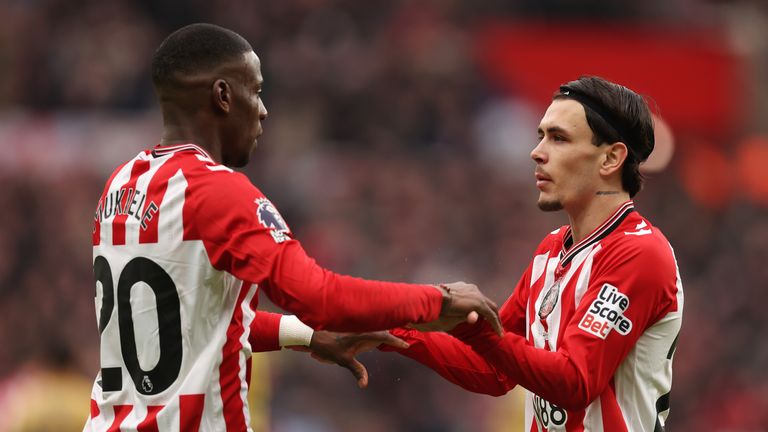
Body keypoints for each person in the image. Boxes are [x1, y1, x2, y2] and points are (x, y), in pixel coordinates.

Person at [85, 23, 502, 432]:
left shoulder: (121, 185)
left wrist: (305, 337)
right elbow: (320, 297)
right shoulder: (218, 192)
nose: (264, 110)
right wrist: (438, 299)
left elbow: (187, 318)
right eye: (257, 90)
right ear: (223, 95)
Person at [357, 76, 682, 431]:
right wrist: (395, 332)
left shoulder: (640, 253)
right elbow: (495, 370)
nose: (537, 152)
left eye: (558, 138)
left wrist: (474, 328)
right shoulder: (552, 249)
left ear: (611, 158)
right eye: (540, 136)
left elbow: (575, 382)